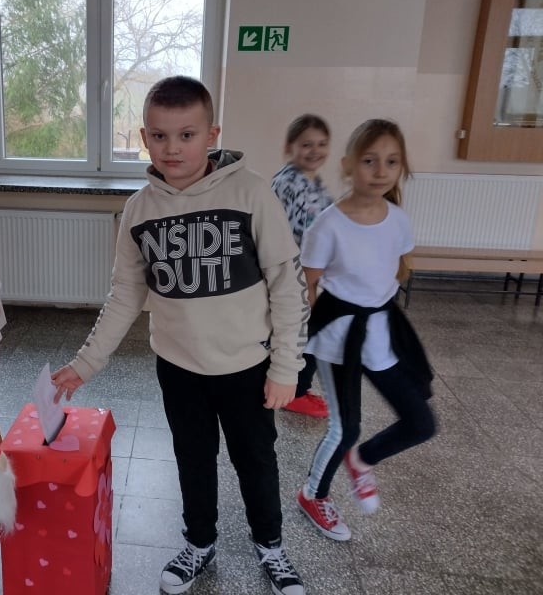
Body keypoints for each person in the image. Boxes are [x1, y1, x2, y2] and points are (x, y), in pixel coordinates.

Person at [51, 76, 308, 595]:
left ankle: (270, 545)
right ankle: (199, 542)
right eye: (160, 135)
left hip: (246, 368)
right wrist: (85, 363)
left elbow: (287, 283)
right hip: (179, 369)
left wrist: (286, 367)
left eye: (187, 135)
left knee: (255, 460)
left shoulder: (250, 192)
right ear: (144, 138)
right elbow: (125, 295)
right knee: (193, 460)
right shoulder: (138, 211)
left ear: (211, 135)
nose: (173, 148)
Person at [295, 119, 437, 542]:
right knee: (345, 427)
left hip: (382, 329)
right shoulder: (328, 225)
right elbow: (308, 286)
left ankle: (362, 460)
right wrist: (308, 336)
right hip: (339, 336)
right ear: (348, 165)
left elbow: (396, 268)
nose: (380, 171)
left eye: (391, 162)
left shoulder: (398, 220)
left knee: (421, 422)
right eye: (369, 160)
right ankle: (313, 494)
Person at [271, 114, 334, 419]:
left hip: (310, 273)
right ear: (290, 147)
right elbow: (292, 233)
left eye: (321, 144)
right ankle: (294, 392)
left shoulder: (313, 181)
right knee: (304, 332)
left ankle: (297, 387)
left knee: (312, 331)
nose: (314, 150)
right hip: (294, 272)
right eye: (306, 144)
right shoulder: (288, 182)